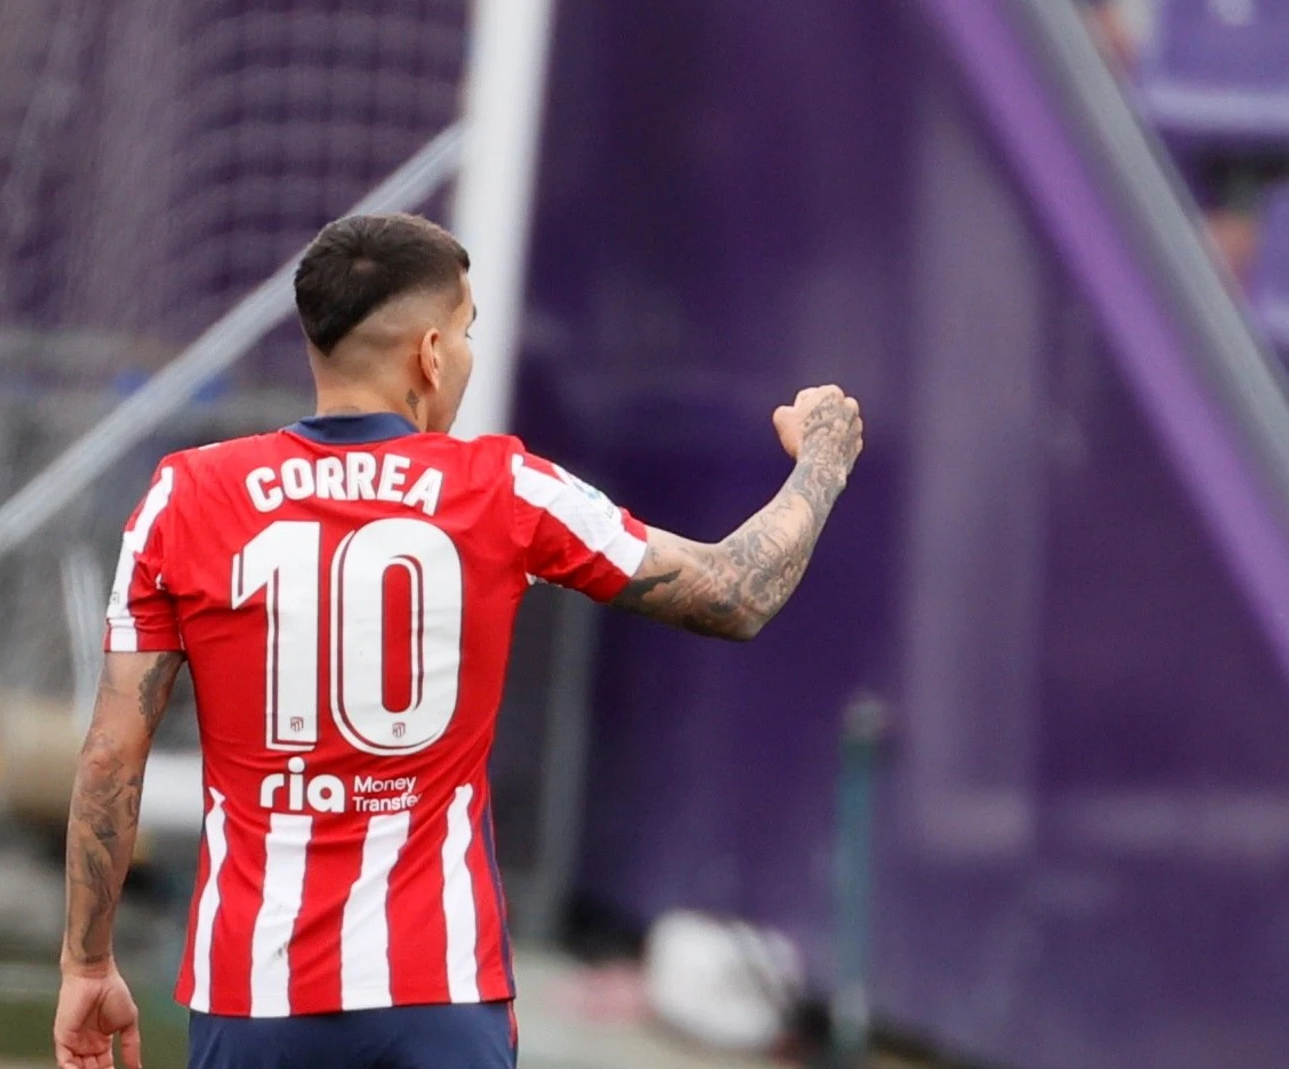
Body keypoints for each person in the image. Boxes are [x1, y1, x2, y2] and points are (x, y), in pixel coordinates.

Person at [53, 213, 864, 1069]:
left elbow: (111, 756)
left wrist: (87, 960)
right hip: (438, 995)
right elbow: (735, 593)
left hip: (255, 995)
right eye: (469, 331)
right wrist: (822, 459)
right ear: (431, 354)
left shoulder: (185, 497)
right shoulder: (503, 489)